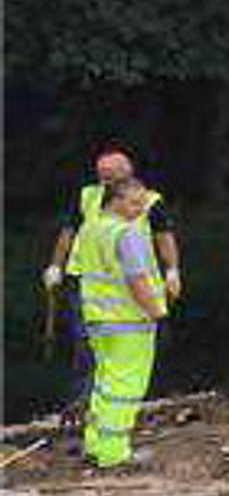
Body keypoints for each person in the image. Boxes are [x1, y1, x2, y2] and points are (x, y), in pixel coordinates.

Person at [40, 149, 179, 412]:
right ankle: (84, 405)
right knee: (87, 347)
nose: (106, 183)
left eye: (111, 177)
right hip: (88, 283)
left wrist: (172, 269)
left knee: (132, 353)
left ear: (127, 174)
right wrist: (55, 265)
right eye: (102, 177)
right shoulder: (88, 197)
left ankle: (124, 405)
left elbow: (164, 235)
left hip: (132, 287)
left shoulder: (148, 201)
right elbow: (69, 230)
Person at [67, 175, 169, 471]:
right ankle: (114, 453)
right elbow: (137, 279)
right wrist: (156, 312)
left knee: (104, 384)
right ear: (117, 200)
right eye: (135, 202)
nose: (140, 209)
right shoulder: (127, 233)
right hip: (130, 322)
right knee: (125, 388)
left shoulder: (91, 229)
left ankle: (95, 444)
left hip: (99, 320)